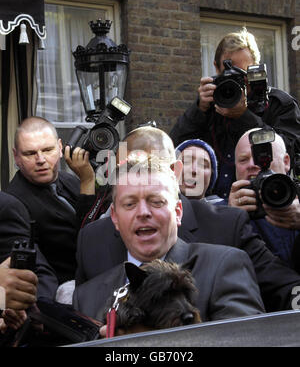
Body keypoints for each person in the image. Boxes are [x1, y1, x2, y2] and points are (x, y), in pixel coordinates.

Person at [74, 126, 300, 313]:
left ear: (174, 170)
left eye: (154, 167)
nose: (143, 212)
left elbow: (282, 288)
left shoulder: (226, 229)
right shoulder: (92, 240)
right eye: (129, 168)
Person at [73, 156, 265, 323]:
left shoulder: (224, 267)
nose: (143, 213)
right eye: (130, 204)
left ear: (178, 211)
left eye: (156, 202)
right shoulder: (87, 297)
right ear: (114, 217)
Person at [169, 27, 300, 199]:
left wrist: (243, 116)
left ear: (255, 70)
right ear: (216, 68)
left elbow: (289, 151)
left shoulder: (277, 103)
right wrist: (198, 109)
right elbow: (173, 151)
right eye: (228, 72)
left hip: (264, 200)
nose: (236, 80)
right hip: (213, 207)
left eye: (242, 74)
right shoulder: (209, 104)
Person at [5, 116, 94, 285]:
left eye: (47, 150)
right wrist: (88, 183)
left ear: (60, 148)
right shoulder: (14, 203)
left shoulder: (71, 180)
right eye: (30, 153)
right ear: (16, 157)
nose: (41, 160)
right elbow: (85, 238)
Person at [225, 128, 300, 269]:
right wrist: (231, 222)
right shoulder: (221, 214)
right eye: (243, 159)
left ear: (286, 162)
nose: (254, 164)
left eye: (264, 157)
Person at [175, 138, 223, 203]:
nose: (194, 170)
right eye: (186, 162)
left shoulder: (225, 210)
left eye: (203, 165)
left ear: (211, 177)